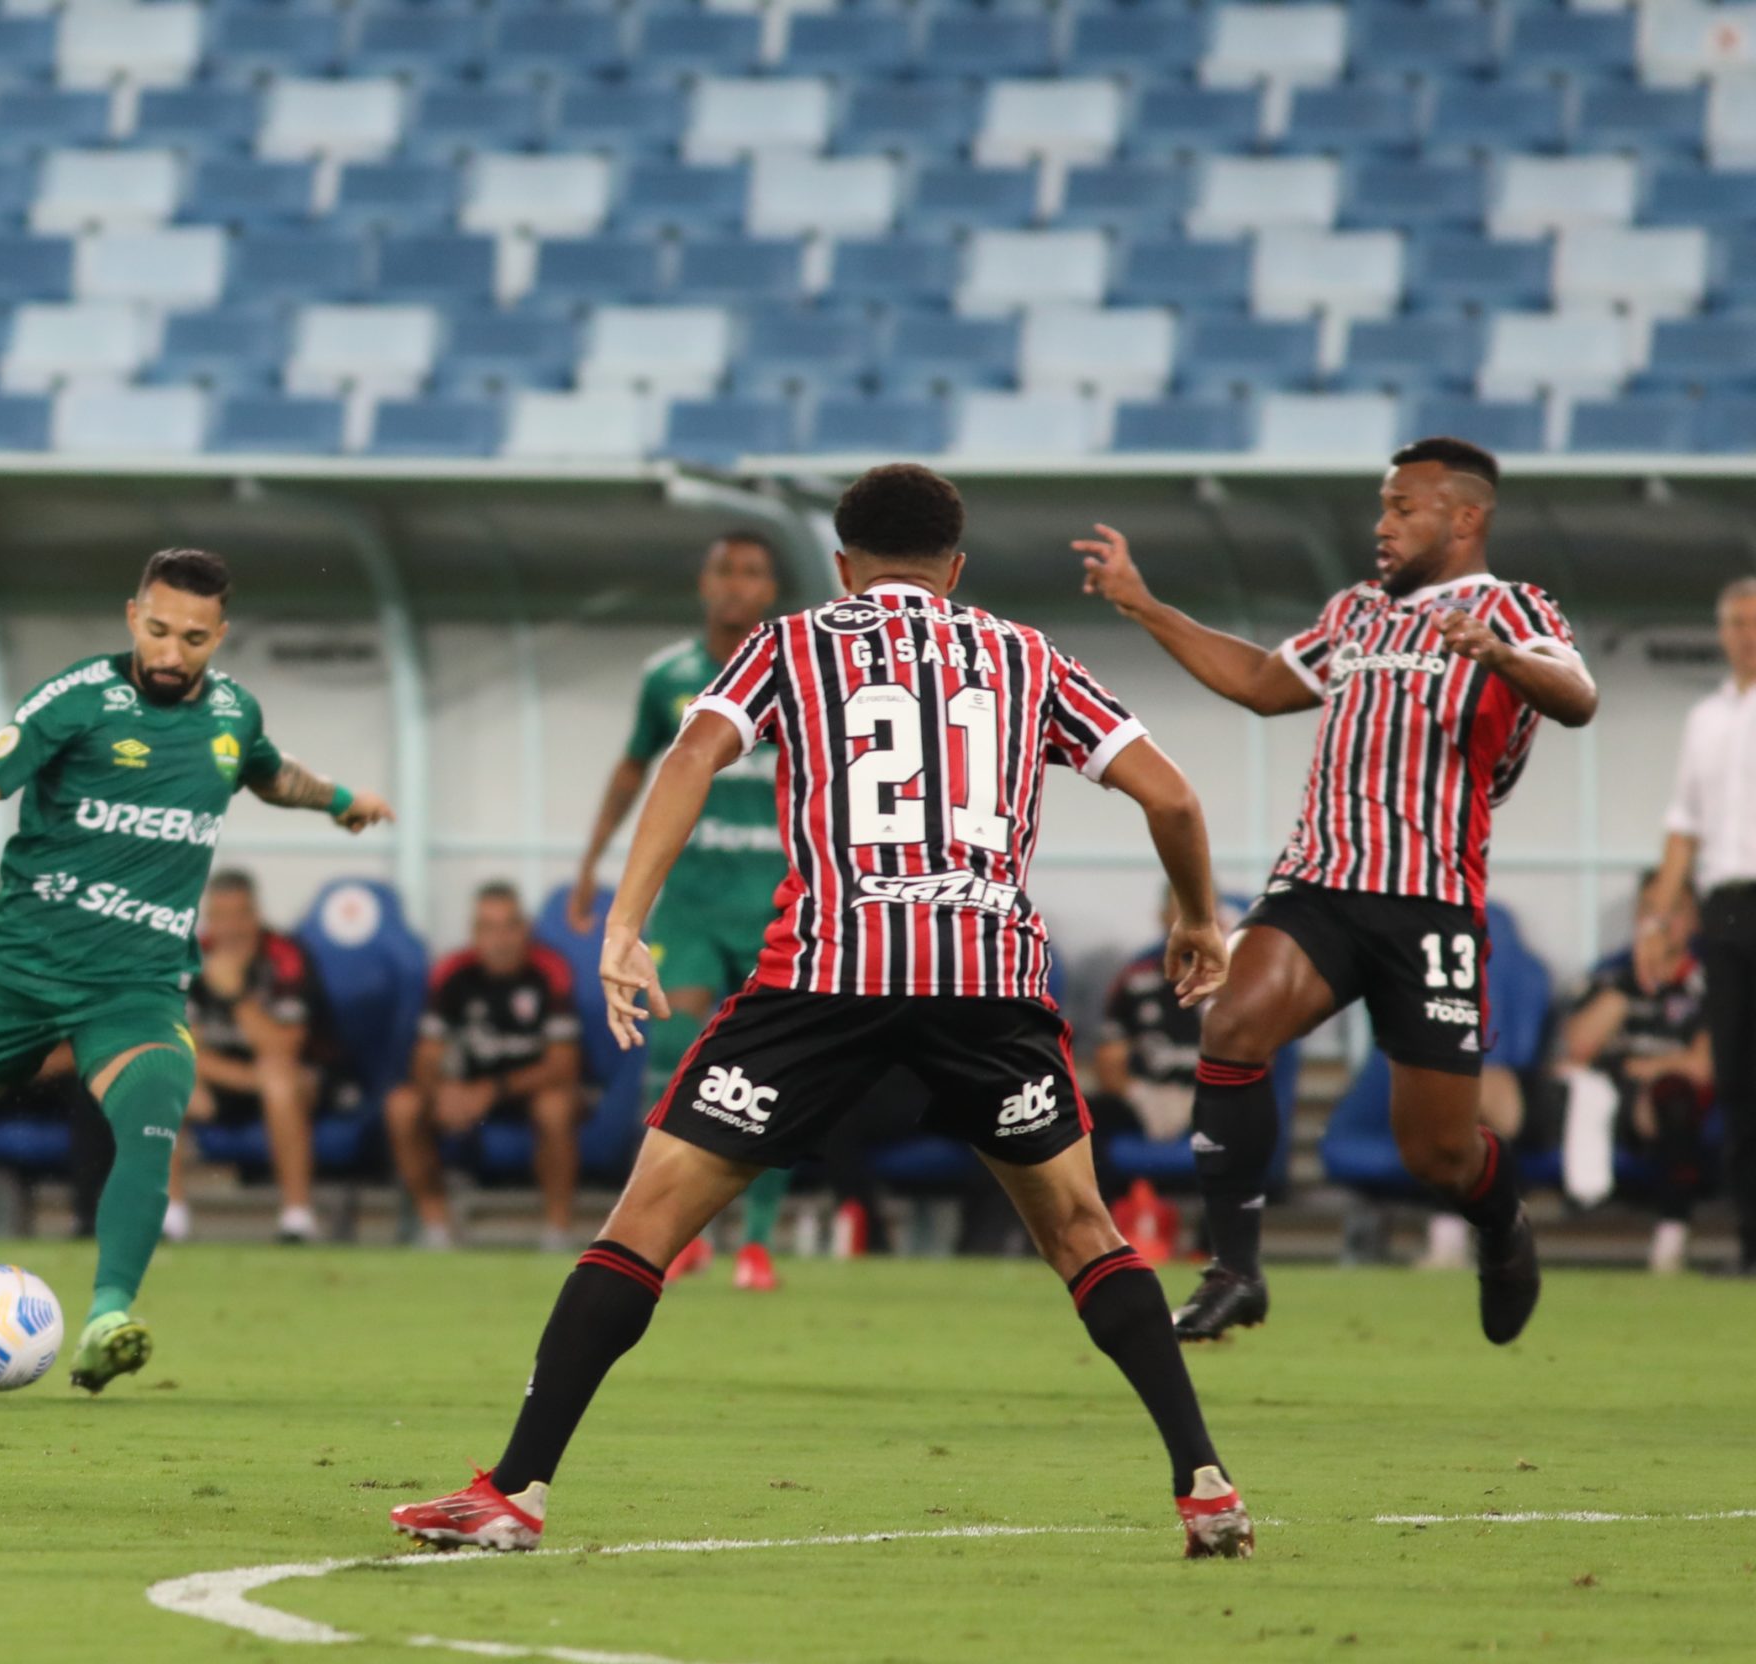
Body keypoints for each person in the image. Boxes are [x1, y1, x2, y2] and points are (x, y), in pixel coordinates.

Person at [392, 464, 1254, 1560]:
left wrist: (625, 920)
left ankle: (513, 1490)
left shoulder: (793, 642)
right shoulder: (1028, 654)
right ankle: (1204, 1481)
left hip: (825, 975)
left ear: (840, 564)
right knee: (1084, 1231)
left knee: (644, 1223)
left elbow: (692, 753)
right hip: (986, 980)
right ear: (959, 565)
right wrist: (1196, 917)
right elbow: (1172, 793)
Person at [1078, 437, 1596, 1344]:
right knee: (1234, 1026)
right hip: (1320, 880)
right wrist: (1143, 605)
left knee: (1436, 1152)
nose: (1382, 525)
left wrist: (1499, 655)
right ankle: (1237, 1269)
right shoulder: (1356, 612)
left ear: (1465, 518)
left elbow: (1578, 695)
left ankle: (1502, 1226)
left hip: (1431, 900)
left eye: (1403, 508)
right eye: (1383, 507)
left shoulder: (1512, 607)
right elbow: (1262, 683)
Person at [0, 548, 393, 1392]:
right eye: (156, 630)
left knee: (155, 1105)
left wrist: (338, 800)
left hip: (136, 984)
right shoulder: (79, 699)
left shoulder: (233, 715)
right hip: (23, 974)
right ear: (130, 617)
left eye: (192, 637)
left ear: (219, 636)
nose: (171, 653)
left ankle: (108, 1316)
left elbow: (269, 773)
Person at [571, 533, 791, 1290]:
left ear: (769, 589)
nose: (735, 585)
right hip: (692, 905)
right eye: (724, 570)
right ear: (704, 583)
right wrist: (590, 862)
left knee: (770, 1076)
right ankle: (678, 1234)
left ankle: (757, 1244)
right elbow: (636, 767)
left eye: (751, 573)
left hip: (776, 904)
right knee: (679, 1065)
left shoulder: (794, 671)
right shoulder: (667, 677)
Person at [1644, 576, 1756, 1274]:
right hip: (1728, 904)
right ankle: (1750, 1244)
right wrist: (1659, 917)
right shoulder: (1705, 718)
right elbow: (1682, 828)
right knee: (1739, 1078)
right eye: (1734, 622)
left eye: (1754, 621)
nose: (1744, 633)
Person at [386, 884, 585, 1250]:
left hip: (527, 1089)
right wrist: (442, 1091)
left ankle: (558, 1232)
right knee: (402, 1106)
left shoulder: (550, 970)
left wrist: (493, 1090)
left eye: (509, 926)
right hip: (465, 1091)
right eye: (488, 928)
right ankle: (437, 1229)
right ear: (474, 933)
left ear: (525, 929)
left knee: (555, 1107)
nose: (500, 939)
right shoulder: (452, 972)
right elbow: (427, 1055)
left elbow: (563, 1065)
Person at [167, 868, 341, 1245]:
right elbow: (182, 1044)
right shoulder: (189, 957)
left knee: (279, 1080)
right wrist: (246, 1079)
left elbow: (284, 1048)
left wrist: (234, 995)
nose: (229, 928)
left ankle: (297, 1217)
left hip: (298, 1086)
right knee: (162, 1075)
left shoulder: (286, 957)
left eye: (239, 916)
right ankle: (171, 1218)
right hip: (227, 1082)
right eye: (219, 917)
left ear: (255, 915)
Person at [1556, 881, 1712, 1272]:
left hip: (1670, 1097)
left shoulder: (1709, 981)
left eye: (1674, 911)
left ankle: (1671, 1239)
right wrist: (1635, 981)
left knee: (1672, 1095)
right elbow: (1578, 1047)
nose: (1662, 923)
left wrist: (1651, 1068)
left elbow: (1705, 1065)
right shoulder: (1611, 976)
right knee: (1515, 1090)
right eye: (1651, 911)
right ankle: (1473, 1237)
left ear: (1694, 919)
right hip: (1602, 1092)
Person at [1091, 886, 1203, 1149]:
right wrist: (1138, 1094)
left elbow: (1260, 1058)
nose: (1190, 921)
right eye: (1180, 911)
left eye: (1199, 912)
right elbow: (1109, 1060)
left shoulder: (1235, 983)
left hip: (1212, 1098)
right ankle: (1101, 1191)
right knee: (1082, 1115)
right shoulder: (1134, 981)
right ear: (1163, 916)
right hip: (1147, 1095)